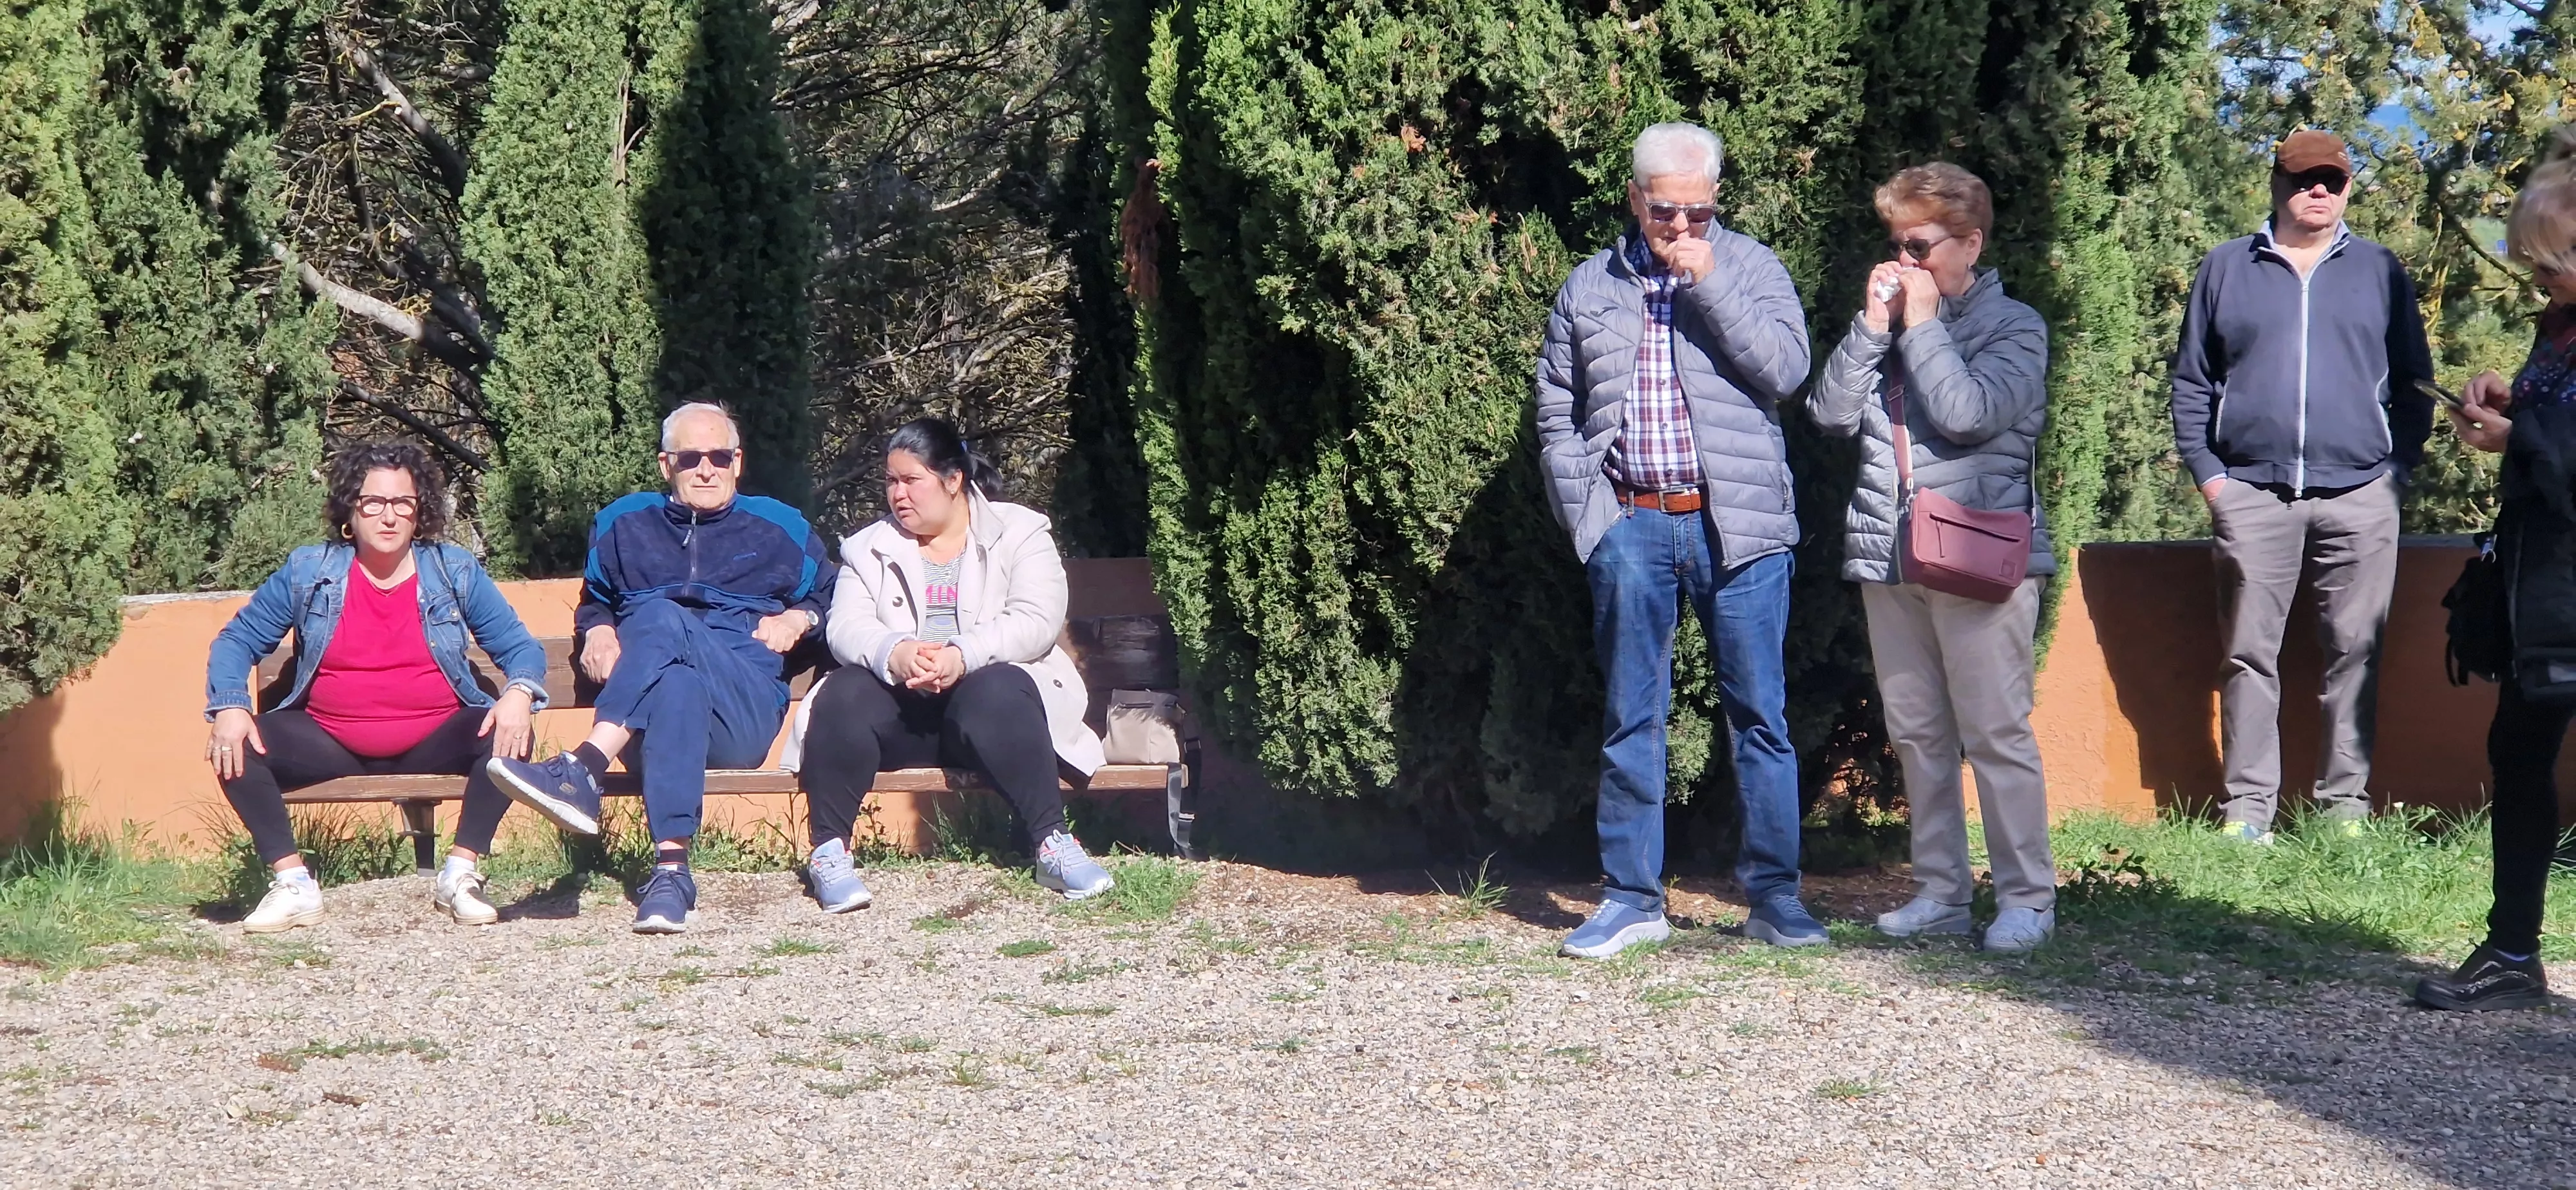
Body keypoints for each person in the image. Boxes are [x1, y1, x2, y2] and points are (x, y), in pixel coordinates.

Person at [1532, 121, 1820, 958]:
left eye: (1698, 213)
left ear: (1715, 200)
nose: (1683, 229)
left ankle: (1775, 898)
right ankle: (1632, 898)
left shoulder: (1753, 267)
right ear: (1634, 200)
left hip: (1741, 526)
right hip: (1631, 524)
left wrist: (1712, 282)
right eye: (1666, 214)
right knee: (1631, 719)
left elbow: (1787, 371)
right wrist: (1589, 515)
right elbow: (1557, 406)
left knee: (1759, 718)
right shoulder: (1590, 288)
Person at [1810, 164, 2057, 952]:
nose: (1905, 262)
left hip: (1982, 556)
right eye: (1895, 245)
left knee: (1994, 730)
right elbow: (1827, 413)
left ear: (1970, 242)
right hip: (1890, 553)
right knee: (1916, 731)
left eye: (1920, 245)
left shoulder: (2015, 327)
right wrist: (1871, 329)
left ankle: (2026, 899)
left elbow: (1968, 413)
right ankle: (1941, 893)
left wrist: (1920, 327)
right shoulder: (1891, 321)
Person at [2170, 129, 2435, 844]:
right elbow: (2193, 380)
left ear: (2347, 189)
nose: (2317, 191)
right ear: (2276, 184)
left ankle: (2343, 808)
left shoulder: (2379, 270)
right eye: (2302, 178)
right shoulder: (2227, 266)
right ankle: (2247, 813)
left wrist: (2394, 474)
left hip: (2359, 494)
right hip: (2251, 493)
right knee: (2247, 655)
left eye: (2332, 180)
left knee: (2355, 650)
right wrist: (2212, 478)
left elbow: (2416, 382)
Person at [488, 403, 835, 934]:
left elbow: (837, 597)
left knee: (657, 615)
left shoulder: (781, 526)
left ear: (738, 462)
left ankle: (583, 767)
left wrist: (800, 615)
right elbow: (596, 601)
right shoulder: (624, 523)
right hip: (652, 711)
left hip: (740, 707)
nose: (706, 469)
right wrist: (599, 628)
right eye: (690, 457)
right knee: (674, 679)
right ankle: (672, 874)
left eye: (720, 456)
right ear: (665, 465)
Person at [204, 442, 550, 932]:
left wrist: (518, 694)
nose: (388, 517)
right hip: (329, 739)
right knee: (235, 743)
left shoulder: (454, 570)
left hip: (435, 737)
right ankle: (294, 884)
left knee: (510, 734)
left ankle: (461, 875)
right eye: (373, 502)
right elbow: (237, 640)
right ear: (351, 508)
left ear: (419, 511)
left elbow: (522, 649)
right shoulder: (310, 571)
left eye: (402, 503)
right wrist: (231, 707)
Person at [782, 419, 1115, 907]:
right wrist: (894, 651)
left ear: (954, 480)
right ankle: (830, 853)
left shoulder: (1021, 532)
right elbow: (846, 626)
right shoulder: (866, 546)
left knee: (999, 687)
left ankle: (1052, 845)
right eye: (891, 481)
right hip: (901, 711)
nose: (898, 494)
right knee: (843, 692)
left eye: (911, 480)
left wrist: (964, 655)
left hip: (988, 713)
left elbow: (1036, 619)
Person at [2413, 126, 2576, 1012]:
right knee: (2518, 756)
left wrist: (2528, 438)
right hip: (2541, 594)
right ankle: (2513, 951)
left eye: (2550, 266)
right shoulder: (2559, 332)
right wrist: (2510, 400)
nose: (2538, 283)